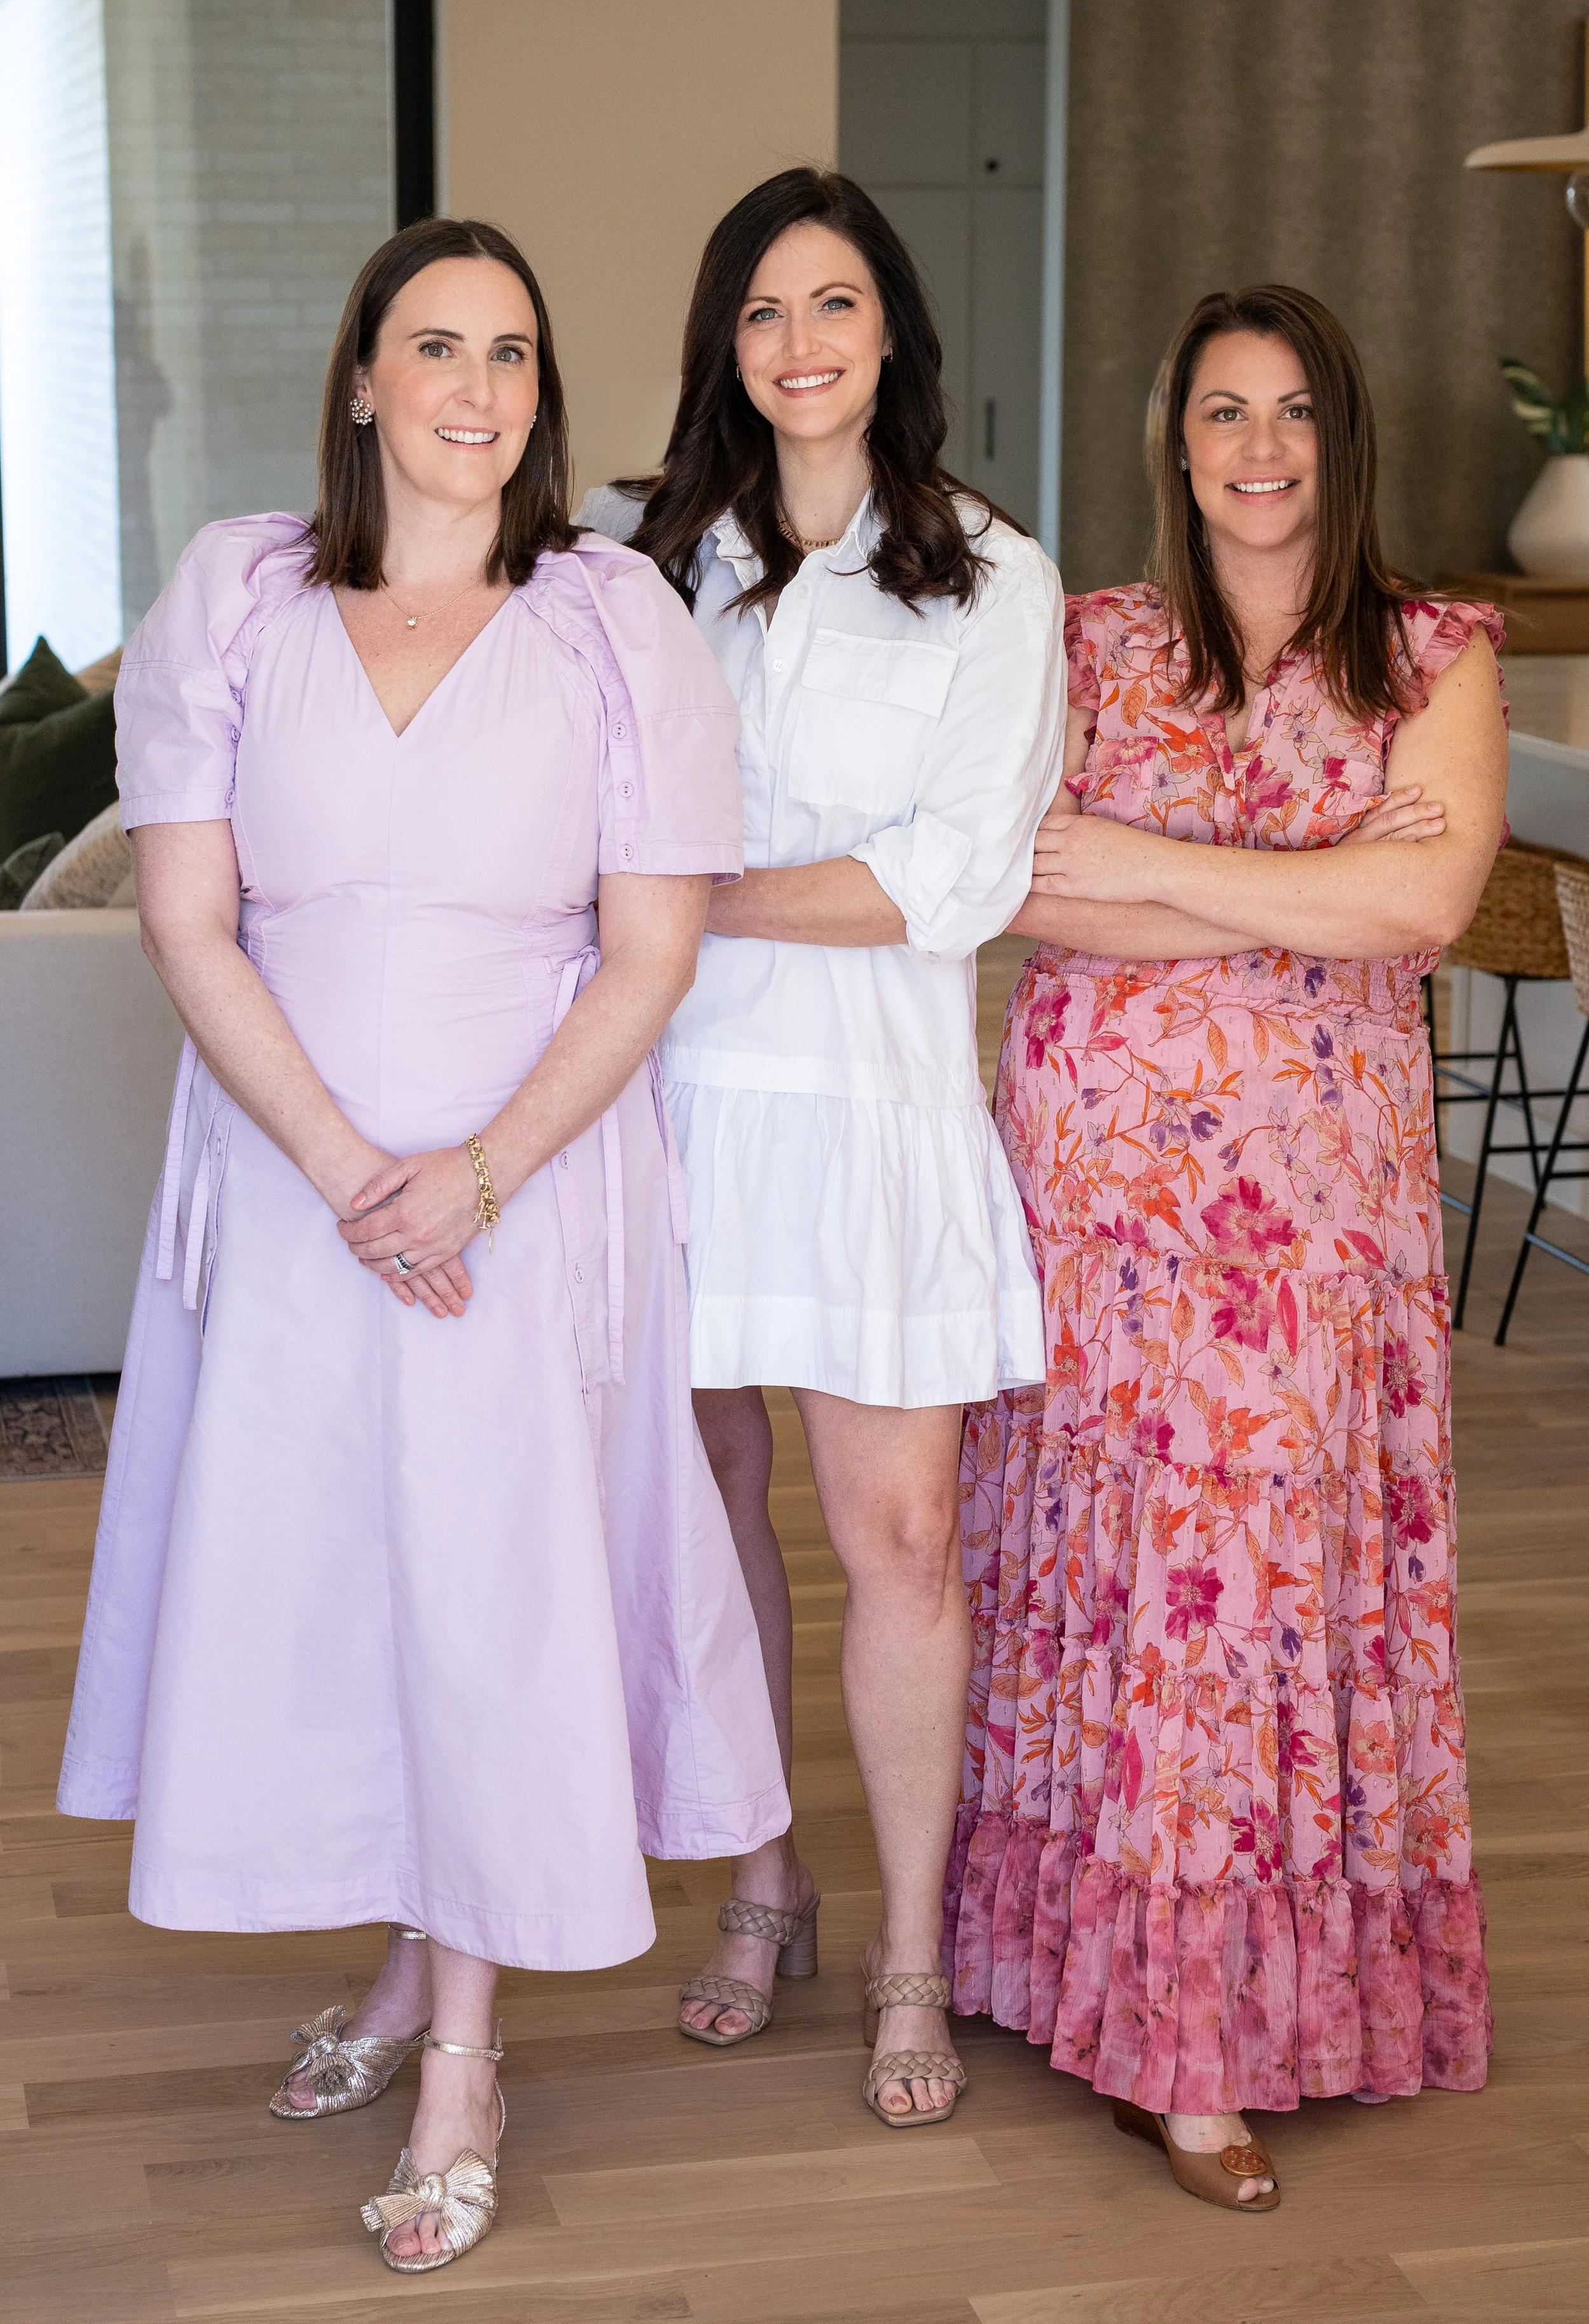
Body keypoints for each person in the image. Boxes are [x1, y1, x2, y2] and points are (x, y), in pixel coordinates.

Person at [55, 216, 787, 2273]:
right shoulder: (237, 593)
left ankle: (467, 2045)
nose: (475, 389)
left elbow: (651, 947)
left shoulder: (611, 616)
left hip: (530, 1178)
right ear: (363, 377)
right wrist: (343, 1164)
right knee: (346, 1570)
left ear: (542, 399)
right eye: (436, 346)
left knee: (490, 1582)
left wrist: (471, 1174)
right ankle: (404, 1949)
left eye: (513, 355)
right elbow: (191, 920)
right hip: (291, 1184)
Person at [945, 284, 1503, 2209]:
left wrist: (1166, 870)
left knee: (1260, 1587)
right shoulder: (1088, 642)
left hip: (1315, 1222)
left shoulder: (1430, 656)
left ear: (1339, 440)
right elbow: (1019, 884)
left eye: (1289, 415)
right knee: (1115, 1580)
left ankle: (1230, 2021)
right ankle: (1102, 1994)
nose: (1256, 451)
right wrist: (1301, 896)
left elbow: (1423, 899)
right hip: (1101, 1212)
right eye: (1217, 415)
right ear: (1171, 444)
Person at [580, 167, 1065, 2127]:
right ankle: (761, 1877)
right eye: (763, 310)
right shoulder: (631, 559)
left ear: (891, 338)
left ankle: (911, 1954)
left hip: (868, 1116)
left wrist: (686, 898)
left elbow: (952, 876)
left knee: (900, 1544)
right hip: (667, 1101)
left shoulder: (990, 574)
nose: (798, 344)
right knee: (701, 1511)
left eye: (834, 304)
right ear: (726, 341)